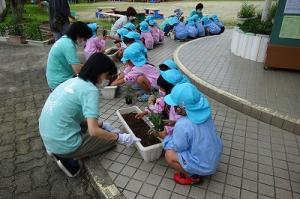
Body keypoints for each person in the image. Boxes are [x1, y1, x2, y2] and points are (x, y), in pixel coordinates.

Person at [39, 53, 140, 177]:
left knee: (96, 129)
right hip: (63, 145)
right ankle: (67, 158)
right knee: (110, 142)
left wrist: (103, 124)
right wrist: (120, 137)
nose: (108, 80)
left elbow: (76, 116)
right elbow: (93, 131)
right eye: (107, 75)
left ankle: (57, 149)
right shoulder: (90, 90)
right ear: (99, 72)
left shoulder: (73, 80)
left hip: (48, 136)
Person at [161, 83, 223, 185]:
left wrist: (165, 138)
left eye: (175, 106)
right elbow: (195, 128)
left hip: (203, 166)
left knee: (169, 154)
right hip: (213, 159)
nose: (175, 109)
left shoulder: (182, 124)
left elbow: (178, 147)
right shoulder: (205, 115)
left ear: (180, 108)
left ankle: (193, 177)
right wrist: (175, 123)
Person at [135, 69, 190, 135]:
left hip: (179, 129)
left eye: (161, 87)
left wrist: (161, 133)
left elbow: (176, 123)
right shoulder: (168, 97)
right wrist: (145, 112)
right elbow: (158, 106)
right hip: (171, 120)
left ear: (169, 88)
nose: (159, 90)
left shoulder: (177, 106)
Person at [46, 21, 93, 90]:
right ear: (78, 35)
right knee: (87, 87)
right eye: (84, 39)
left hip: (55, 79)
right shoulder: (68, 45)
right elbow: (78, 70)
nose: (85, 42)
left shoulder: (65, 39)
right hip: (59, 82)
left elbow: (76, 64)